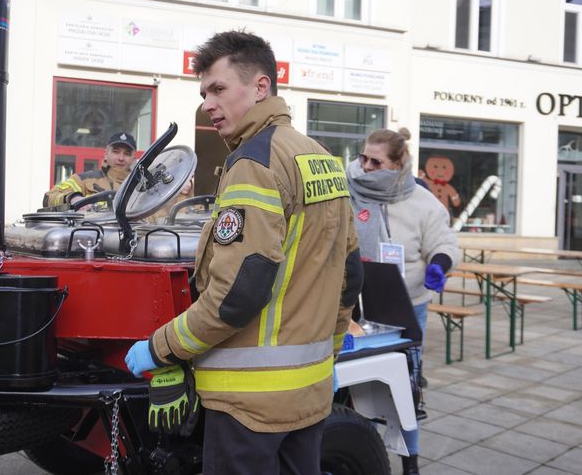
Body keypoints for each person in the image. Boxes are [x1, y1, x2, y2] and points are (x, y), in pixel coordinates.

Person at [125, 30, 363, 474]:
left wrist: (160, 348)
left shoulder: (253, 164)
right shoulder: (321, 158)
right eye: (203, 93)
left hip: (247, 404)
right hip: (309, 392)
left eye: (218, 89)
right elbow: (350, 274)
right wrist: (326, 354)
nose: (207, 104)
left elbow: (237, 295)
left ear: (260, 87)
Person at [346, 127, 459, 475]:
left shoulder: (421, 201)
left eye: (376, 161)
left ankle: (410, 462)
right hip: (352, 304)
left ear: (398, 165)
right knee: (354, 384)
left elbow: (444, 244)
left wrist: (438, 266)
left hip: (404, 306)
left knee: (403, 390)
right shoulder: (348, 189)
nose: (364, 166)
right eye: (363, 157)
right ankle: (363, 450)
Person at [43, 132, 136, 208]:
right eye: (116, 152)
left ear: (133, 158)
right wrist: (72, 198)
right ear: (106, 154)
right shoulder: (83, 180)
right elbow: (48, 198)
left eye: (127, 153)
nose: (121, 158)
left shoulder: (142, 188)